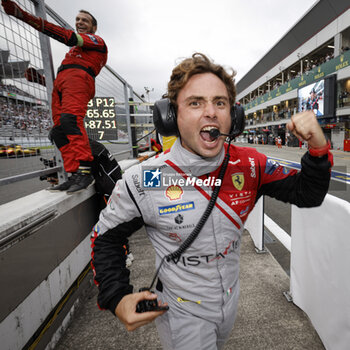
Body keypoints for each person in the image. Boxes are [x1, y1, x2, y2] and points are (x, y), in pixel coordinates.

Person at [90, 53, 333, 350]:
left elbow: (307, 193)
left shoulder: (250, 165)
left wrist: (318, 147)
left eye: (220, 103)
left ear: (234, 116)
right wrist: (117, 296)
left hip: (229, 301)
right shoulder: (146, 179)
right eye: (195, 103)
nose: (211, 112)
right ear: (170, 117)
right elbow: (105, 238)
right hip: (181, 312)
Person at [2, 0, 108, 194]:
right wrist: (41, 80)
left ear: (94, 27)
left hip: (79, 81)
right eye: (77, 19)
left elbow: (68, 38)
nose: (80, 22)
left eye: (85, 20)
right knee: (58, 132)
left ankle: (86, 171)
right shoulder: (73, 54)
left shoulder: (97, 42)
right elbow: (65, 78)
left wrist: (22, 15)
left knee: (70, 121)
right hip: (64, 85)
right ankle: (75, 172)